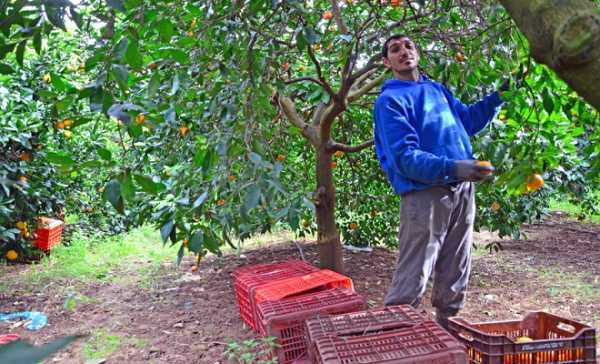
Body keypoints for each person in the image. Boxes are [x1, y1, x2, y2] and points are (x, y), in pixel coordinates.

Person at [373, 34, 509, 330]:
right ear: (387, 62)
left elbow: (469, 120)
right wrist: (456, 167)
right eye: (395, 50)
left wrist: (500, 96)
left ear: (417, 53)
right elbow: (405, 158)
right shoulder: (390, 100)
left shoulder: (437, 90)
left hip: (462, 189)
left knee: (456, 264)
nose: (403, 52)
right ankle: (395, 337)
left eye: (408, 46)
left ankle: (448, 332)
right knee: (414, 271)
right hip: (426, 194)